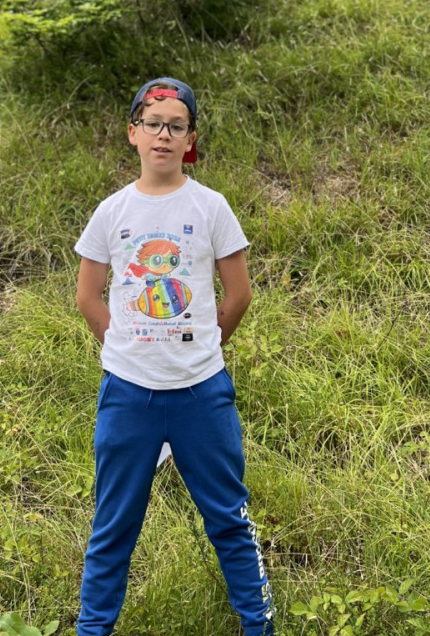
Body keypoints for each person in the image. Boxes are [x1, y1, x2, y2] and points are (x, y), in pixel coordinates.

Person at [74, 76, 275, 636]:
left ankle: (259, 625)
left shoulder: (211, 207)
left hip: (201, 394)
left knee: (229, 518)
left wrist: (203, 348)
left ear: (190, 139)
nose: (163, 134)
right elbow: (87, 296)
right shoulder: (111, 211)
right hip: (127, 396)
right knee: (113, 525)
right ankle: (92, 629)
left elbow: (239, 294)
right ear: (133, 132)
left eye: (176, 126)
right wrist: (126, 349)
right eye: (153, 123)